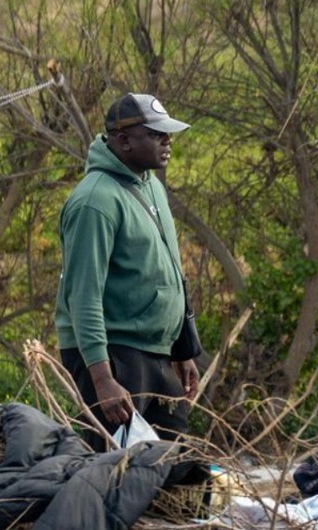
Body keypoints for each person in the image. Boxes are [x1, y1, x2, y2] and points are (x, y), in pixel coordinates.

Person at [55, 93, 200, 449]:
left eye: (168, 133)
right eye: (156, 134)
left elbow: (170, 270)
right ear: (123, 141)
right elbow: (83, 297)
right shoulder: (95, 201)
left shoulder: (151, 187)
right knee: (113, 474)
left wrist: (184, 349)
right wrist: (103, 379)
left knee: (173, 467)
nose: (167, 141)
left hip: (156, 351)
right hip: (113, 354)